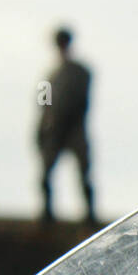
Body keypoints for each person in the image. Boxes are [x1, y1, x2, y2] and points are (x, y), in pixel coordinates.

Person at [36, 26, 95, 225]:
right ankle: (47, 214)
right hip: (55, 131)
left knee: (83, 173)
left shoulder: (80, 72)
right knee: (45, 174)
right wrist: (42, 129)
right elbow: (43, 105)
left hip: (73, 129)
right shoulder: (50, 76)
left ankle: (89, 215)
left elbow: (82, 101)